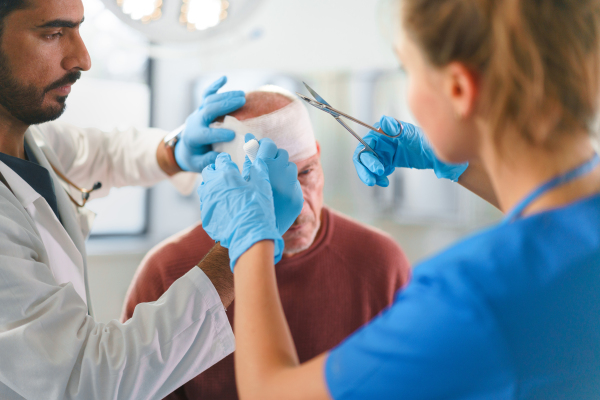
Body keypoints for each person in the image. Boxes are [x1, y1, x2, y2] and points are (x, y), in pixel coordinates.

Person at [198, 0, 600, 399]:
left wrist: (250, 239)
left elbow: (271, 393)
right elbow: (557, 229)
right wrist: (463, 165)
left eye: (407, 70)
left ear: (459, 89)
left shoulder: (468, 297)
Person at [0, 0, 258, 398]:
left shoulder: (29, 140)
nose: (83, 58)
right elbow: (88, 378)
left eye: (79, 29)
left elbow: (104, 152)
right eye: (53, 34)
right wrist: (243, 243)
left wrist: (175, 149)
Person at [121, 87, 411, 400]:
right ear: (229, 185)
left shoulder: (380, 261)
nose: (298, 205)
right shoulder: (166, 272)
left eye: (306, 172)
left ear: (318, 154)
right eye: (269, 186)